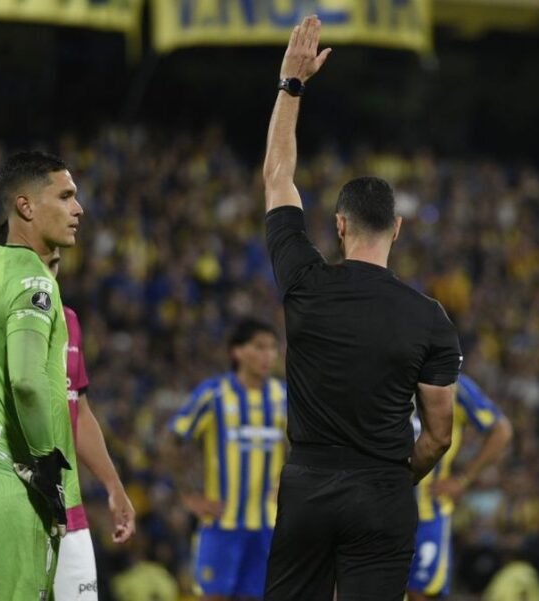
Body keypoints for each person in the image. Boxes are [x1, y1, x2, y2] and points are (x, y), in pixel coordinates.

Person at [261, 15, 461, 600]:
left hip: (308, 483)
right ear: (396, 228)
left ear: (340, 225)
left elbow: (277, 176)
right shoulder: (430, 318)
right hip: (383, 489)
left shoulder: (304, 281)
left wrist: (291, 84)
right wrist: (395, 478)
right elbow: (439, 435)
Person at [0, 246, 135, 601]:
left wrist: (113, 485)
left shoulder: (68, 322)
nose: (46, 274)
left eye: (53, 265)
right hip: (3, 511)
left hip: (67, 514)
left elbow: (78, 412)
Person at [0, 150, 84, 599]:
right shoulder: (35, 282)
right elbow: (26, 382)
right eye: (65, 196)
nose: (78, 209)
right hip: (14, 479)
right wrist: (44, 463)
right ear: (25, 206)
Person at [168, 318, 287, 601]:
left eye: (272, 347)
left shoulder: (283, 397)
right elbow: (171, 441)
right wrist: (189, 496)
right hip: (222, 523)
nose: (268, 355)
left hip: (269, 525)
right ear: (237, 351)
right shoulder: (214, 394)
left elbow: (302, 447)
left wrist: (288, 483)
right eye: (259, 347)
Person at [408, 374, 513, 600]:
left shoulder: (452, 384)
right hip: (378, 509)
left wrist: (463, 479)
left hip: (427, 513)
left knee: (420, 593)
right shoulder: (384, 371)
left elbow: (501, 430)